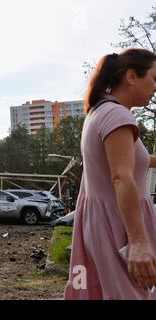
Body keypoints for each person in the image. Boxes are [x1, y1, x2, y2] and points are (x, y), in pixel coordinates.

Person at [64, 48, 156, 300]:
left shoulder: (99, 111)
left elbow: (132, 160)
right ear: (131, 76)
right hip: (120, 227)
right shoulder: (117, 115)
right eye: (154, 78)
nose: (155, 87)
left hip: (105, 224)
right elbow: (121, 177)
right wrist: (138, 243)